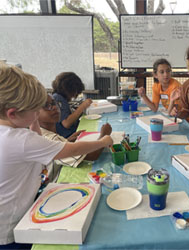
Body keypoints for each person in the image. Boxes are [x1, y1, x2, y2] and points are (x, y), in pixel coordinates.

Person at [0, 64, 113, 248]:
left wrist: (34, 119)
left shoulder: (9, 130)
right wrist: (102, 141)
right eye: (35, 110)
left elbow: (35, 137)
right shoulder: (19, 139)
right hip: (8, 228)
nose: (38, 113)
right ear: (12, 113)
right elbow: (67, 150)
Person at [38, 94, 112, 182]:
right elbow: (92, 155)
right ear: (33, 113)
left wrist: (67, 140)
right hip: (53, 184)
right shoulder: (50, 138)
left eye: (54, 103)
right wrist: (104, 135)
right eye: (46, 106)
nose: (54, 107)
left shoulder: (44, 132)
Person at [52, 72, 92, 138]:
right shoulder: (58, 98)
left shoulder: (59, 97)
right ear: (69, 89)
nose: (74, 96)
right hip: (68, 135)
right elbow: (66, 123)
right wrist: (82, 107)